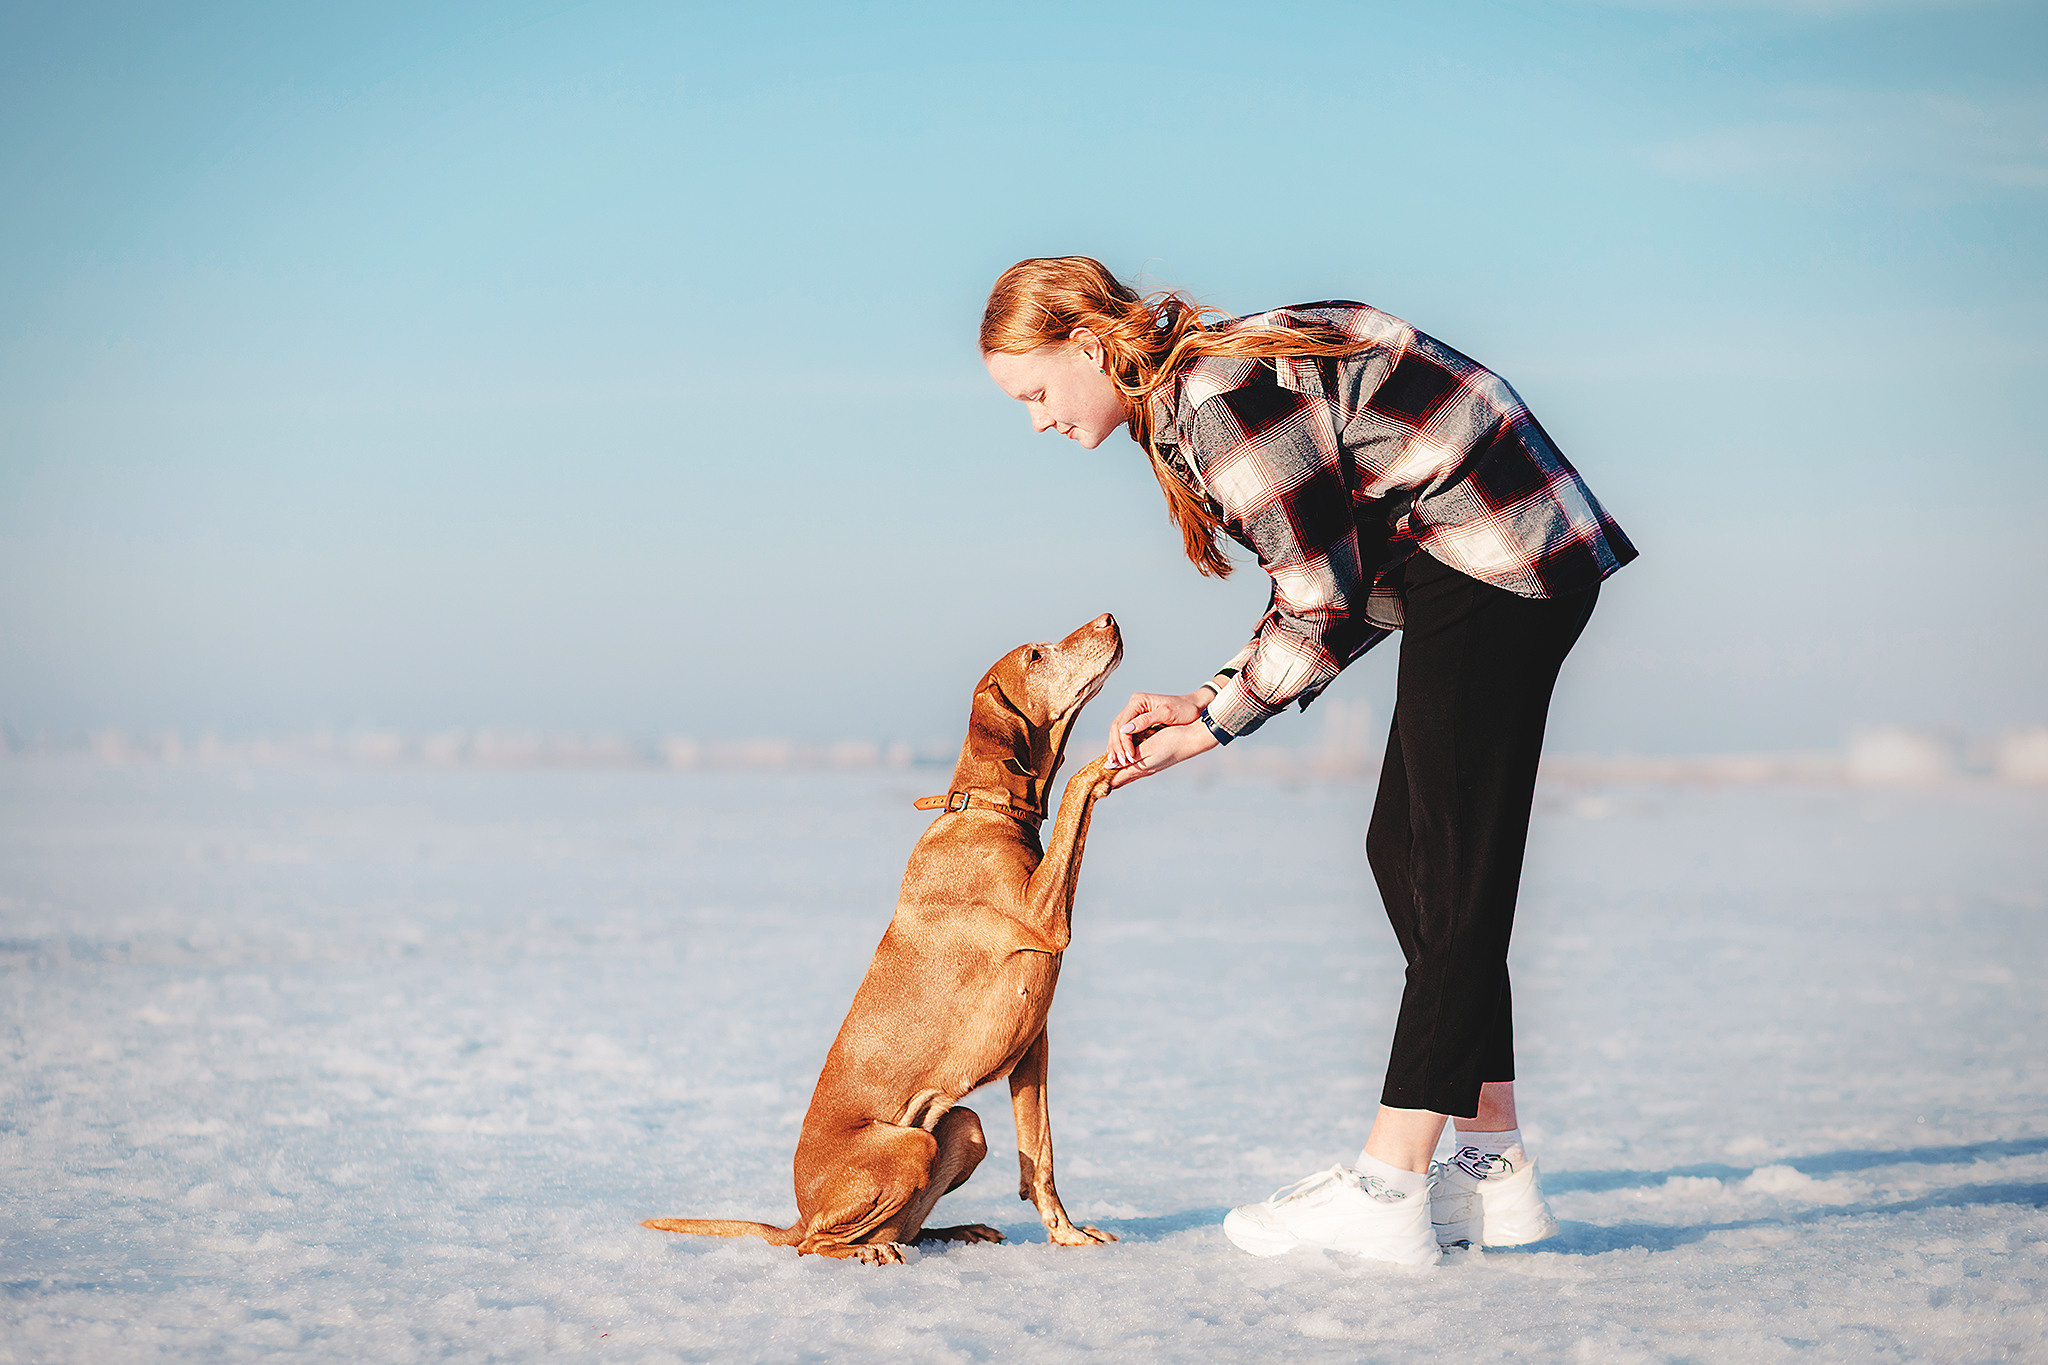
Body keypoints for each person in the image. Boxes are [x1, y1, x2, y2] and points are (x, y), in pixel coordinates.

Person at [979, 256, 1636, 1267]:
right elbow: (1349, 570)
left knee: (1451, 875)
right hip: (1461, 559)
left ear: (1090, 346)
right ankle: (1489, 1170)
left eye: (1034, 392)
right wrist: (1210, 698)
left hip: (1499, 554)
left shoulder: (1213, 401)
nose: (1034, 421)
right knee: (1408, 858)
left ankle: (1390, 1181)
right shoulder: (1199, 392)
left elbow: (1321, 597)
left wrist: (1210, 726)